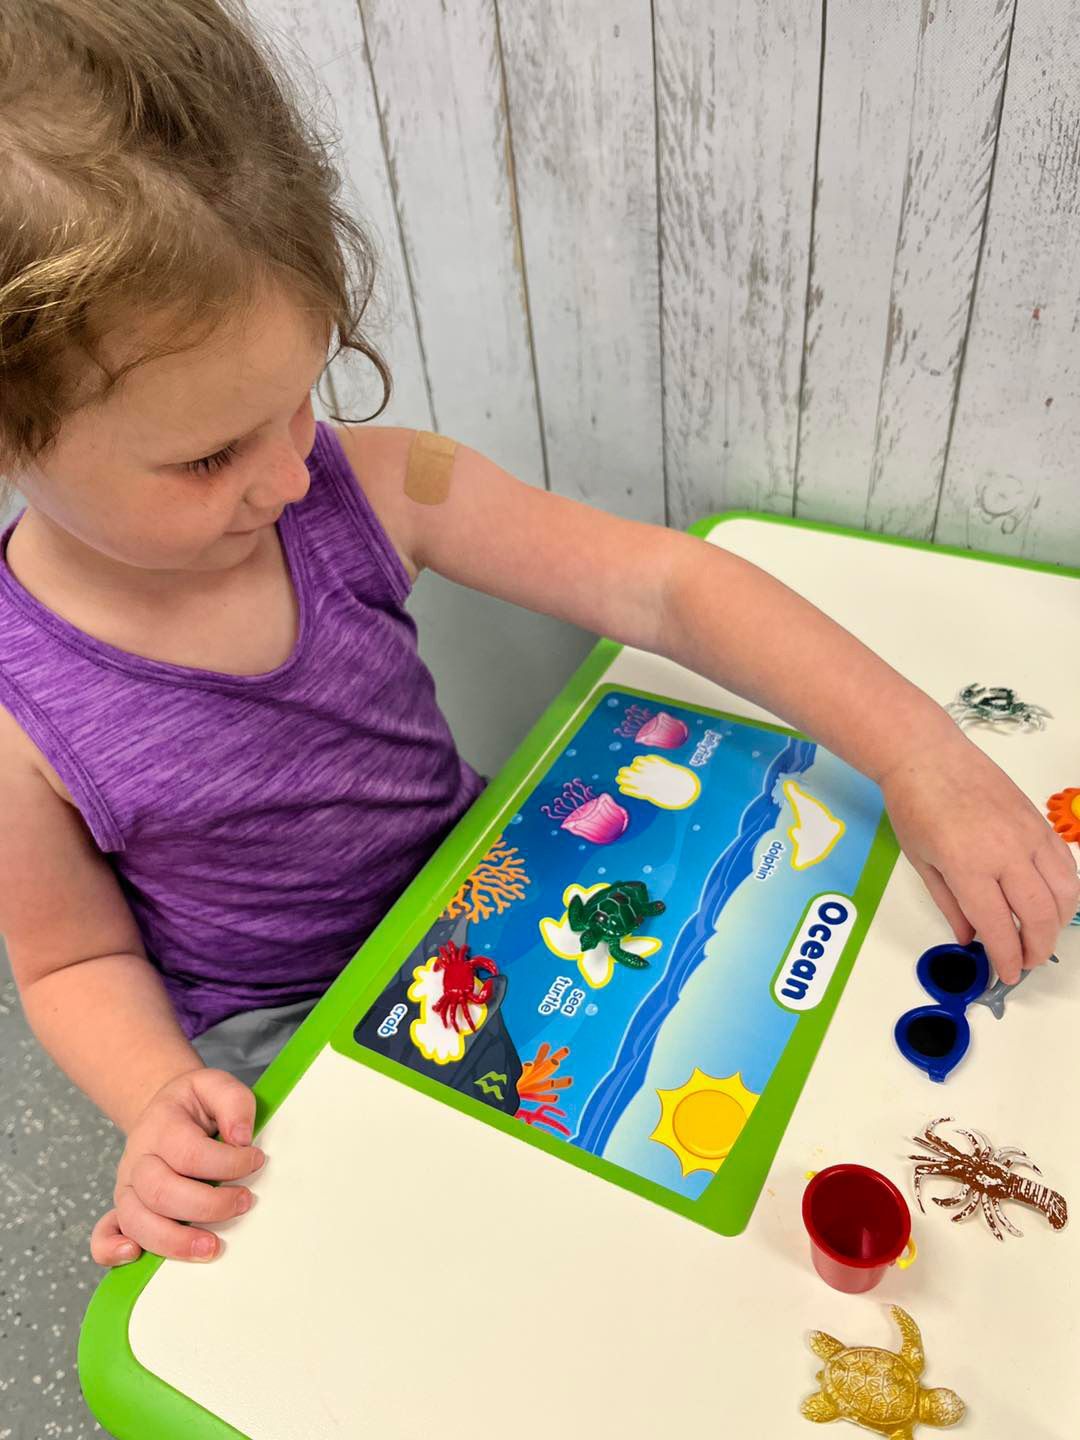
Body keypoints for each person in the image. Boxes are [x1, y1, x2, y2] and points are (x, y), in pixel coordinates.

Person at [1, 0, 1074, 1272]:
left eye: (304, 397)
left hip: (490, 889)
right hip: (280, 1041)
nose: (292, 475)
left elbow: (670, 588)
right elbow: (72, 958)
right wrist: (157, 1108)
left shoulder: (373, 485)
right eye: (208, 455)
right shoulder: (18, 711)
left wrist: (920, 754)